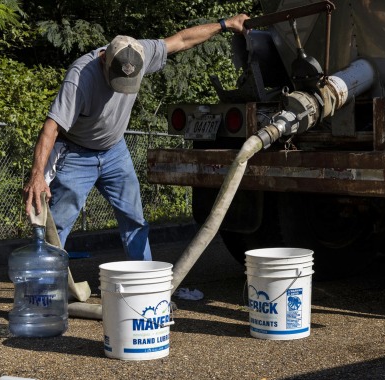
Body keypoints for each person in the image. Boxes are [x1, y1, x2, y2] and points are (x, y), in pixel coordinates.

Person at [23, 14, 250, 260]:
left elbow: (183, 40)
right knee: (57, 226)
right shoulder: (80, 78)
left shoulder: (140, 52)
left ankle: (146, 287)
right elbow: (50, 128)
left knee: (135, 220)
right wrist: (37, 176)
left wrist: (226, 24)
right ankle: (44, 288)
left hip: (114, 152)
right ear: (104, 61)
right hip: (76, 153)